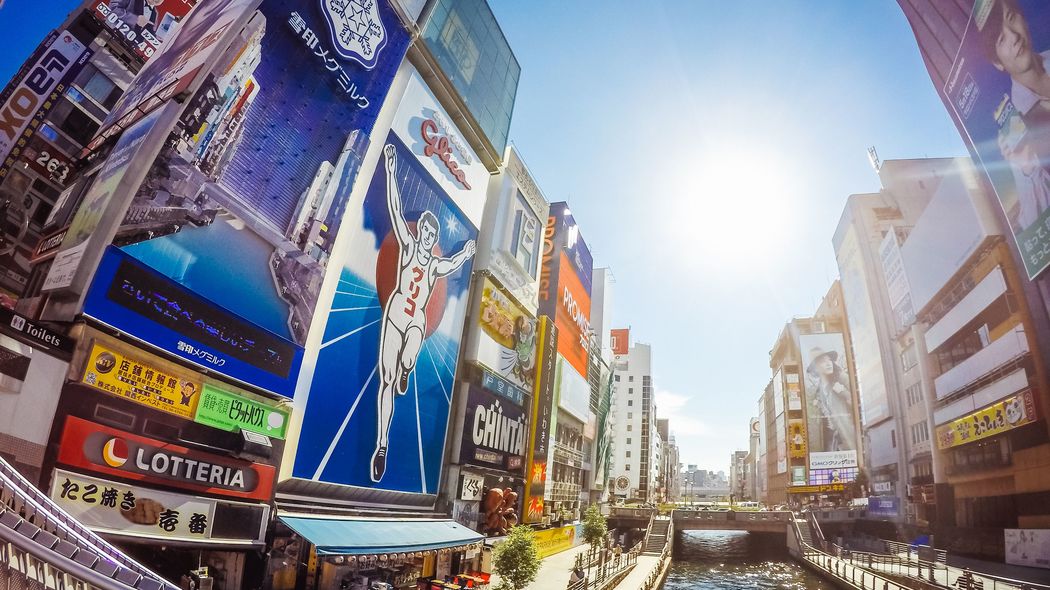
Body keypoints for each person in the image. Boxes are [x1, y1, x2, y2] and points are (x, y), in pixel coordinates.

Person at [371, 144, 475, 482]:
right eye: (425, 233)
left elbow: (455, 262)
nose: (427, 238)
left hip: (415, 316)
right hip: (395, 311)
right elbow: (396, 208)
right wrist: (389, 169)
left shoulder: (434, 264)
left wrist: (468, 251)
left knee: (415, 335)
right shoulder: (406, 244)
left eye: (432, 236)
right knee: (385, 381)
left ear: (435, 240)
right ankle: (382, 444)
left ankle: (408, 365)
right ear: (421, 233)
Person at [806, 347, 856, 452]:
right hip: (835, 442)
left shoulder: (841, 378)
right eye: (823, 362)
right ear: (816, 368)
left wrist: (843, 393)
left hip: (851, 435)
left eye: (829, 360)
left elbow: (858, 402)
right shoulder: (818, 391)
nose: (829, 363)